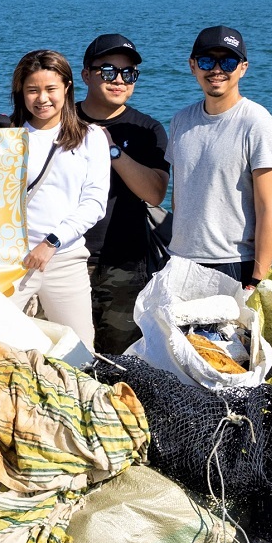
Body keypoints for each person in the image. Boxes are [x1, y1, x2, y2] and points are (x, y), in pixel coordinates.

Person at [167, 26, 272, 287]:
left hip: (232, 264)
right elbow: (180, 195)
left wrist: (258, 279)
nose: (217, 70)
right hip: (179, 261)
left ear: (243, 68)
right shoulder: (181, 120)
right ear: (193, 66)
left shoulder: (258, 123)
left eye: (228, 62)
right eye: (207, 61)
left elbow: (268, 209)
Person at [76, 35, 171, 354]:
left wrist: (112, 150)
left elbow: (155, 193)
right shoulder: (60, 121)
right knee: (65, 351)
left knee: (122, 358)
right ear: (86, 74)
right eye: (107, 71)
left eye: (128, 73)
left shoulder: (147, 129)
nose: (118, 79)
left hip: (126, 262)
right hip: (66, 257)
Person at [10, 50, 110, 348]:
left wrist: (51, 242)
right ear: (21, 93)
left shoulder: (90, 137)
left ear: (67, 87)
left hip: (65, 259)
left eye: (51, 89)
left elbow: (94, 203)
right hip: (11, 261)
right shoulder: (7, 137)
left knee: (79, 351)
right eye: (32, 90)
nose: (42, 98)